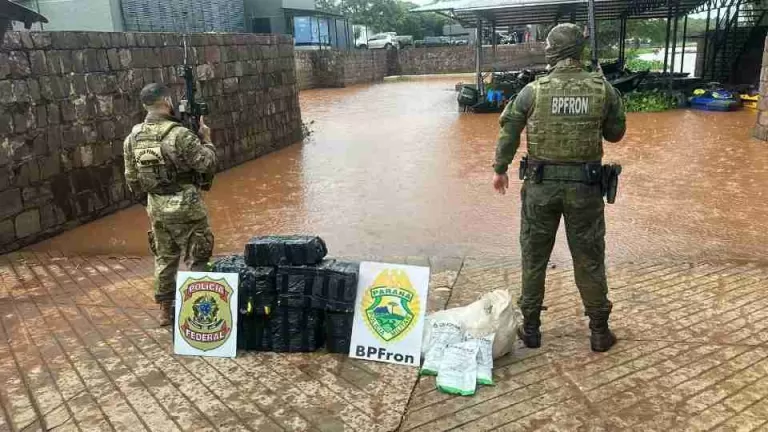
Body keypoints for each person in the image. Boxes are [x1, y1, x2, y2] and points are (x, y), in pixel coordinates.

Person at [492, 23, 626, 352]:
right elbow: (615, 134)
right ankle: (598, 331)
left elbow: (509, 129)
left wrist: (500, 169)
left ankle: (533, 330)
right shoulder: (602, 88)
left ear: (552, 51)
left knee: (534, 257)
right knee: (589, 258)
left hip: (540, 188)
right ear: (579, 50)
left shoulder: (534, 90)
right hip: (586, 188)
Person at [123, 83, 218, 327]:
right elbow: (206, 164)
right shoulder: (180, 135)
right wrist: (206, 139)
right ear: (166, 101)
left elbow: (132, 179)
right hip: (187, 207)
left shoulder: (132, 137)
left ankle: (165, 312)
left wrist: (151, 202)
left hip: (156, 206)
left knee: (165, 259)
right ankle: (201, 315)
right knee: (197, 256)